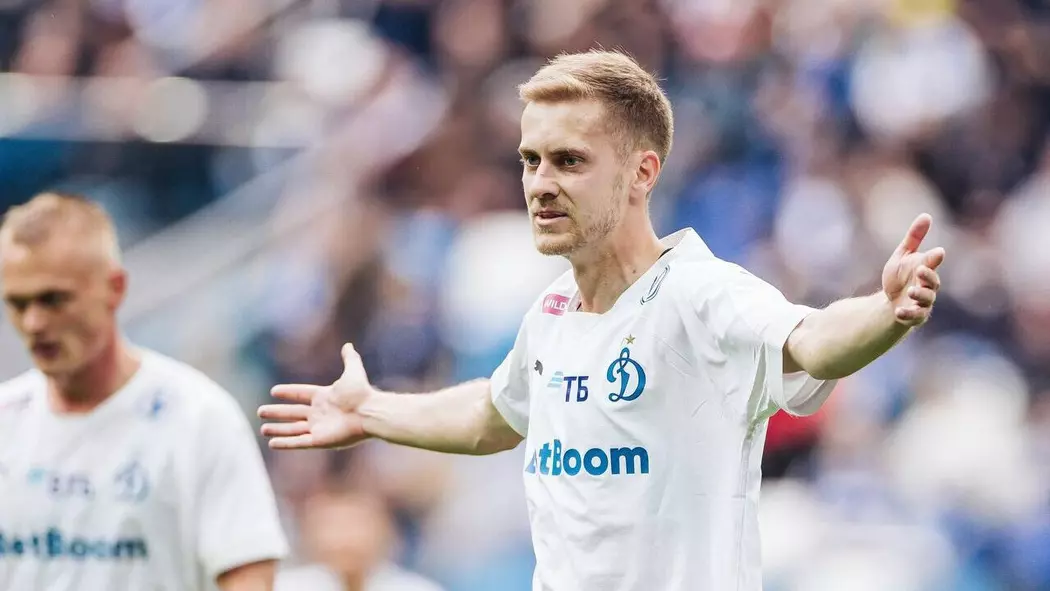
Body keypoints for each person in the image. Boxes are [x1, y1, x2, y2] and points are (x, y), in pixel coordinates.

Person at [258, 50, 946, 591]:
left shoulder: (701, 293)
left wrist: (885, 311)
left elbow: (813, 341)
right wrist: (371, 411)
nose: (540, 184)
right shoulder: (551, 311)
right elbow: (493, 415)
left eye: (569, 161)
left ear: (642, 172)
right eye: (530, 160)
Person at [0, 193, 289, 590]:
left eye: (53, 300)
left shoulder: (199, 419)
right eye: (17, 304)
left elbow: (249, 577)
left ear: (115, 288)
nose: (34, 323)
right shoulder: (6, 421)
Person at [275, 489, 443, 591]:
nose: (345, 540)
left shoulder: (417, 588)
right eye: (335, 527)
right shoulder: (286, 586)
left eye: (357, 525)